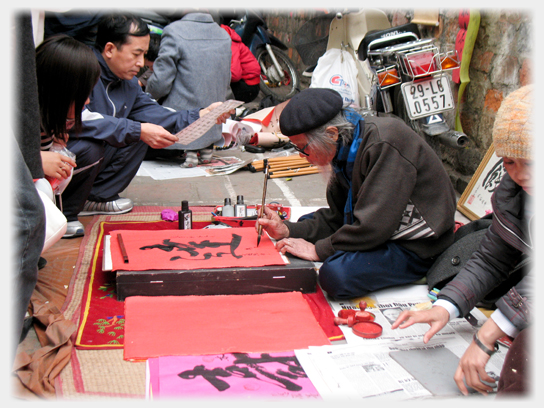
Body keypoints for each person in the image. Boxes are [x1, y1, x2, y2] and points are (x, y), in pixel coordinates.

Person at [392, 85, 533, 397]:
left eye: (532, 161)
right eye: (509, 162)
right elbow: (491, 259)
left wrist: (488, 335)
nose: (521, 175)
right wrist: (446, 305)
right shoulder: (515, 195)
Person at [256, 88, 456, 299]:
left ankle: (421, 273)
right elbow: (339, 217)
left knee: (336, 275)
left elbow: (372, 226)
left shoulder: (383, 143)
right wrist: (288, 229)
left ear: (331, 134)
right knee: (305, 226)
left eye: (303, 148)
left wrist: (318, 250)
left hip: (416, 246)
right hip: (380, 230)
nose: (303, 157)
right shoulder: (345, 148)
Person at [61, 13, 231, 237]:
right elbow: (80, 120)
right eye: (136, 54)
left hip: (94, 156)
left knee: (143, 130)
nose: (141, 64)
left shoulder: (128, 83)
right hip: (62, 152)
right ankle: (66, 212)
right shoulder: (81, 68)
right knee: (104, 142)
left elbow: (157, 114)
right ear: (110, 49)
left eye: (144, 54)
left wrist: (201, 114)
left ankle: (96, 198)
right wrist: (138, 130)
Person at [146, 12, 231, 167]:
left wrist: (147, 95)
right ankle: (204, 147)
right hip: (213, 127)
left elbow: (160, 84)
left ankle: (189, 149)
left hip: (183, 127)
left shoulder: (174, 31)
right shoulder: (223, 35)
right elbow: (226, 81)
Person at [37, 34, 101, 239]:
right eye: (83, 94)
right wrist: (35, 160)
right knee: (42, 190)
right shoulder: (23, 115)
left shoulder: (50, 118)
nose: (88, 101)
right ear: (61, 92)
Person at [221, 24, 261, 103]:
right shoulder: (230, 42)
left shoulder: (231, 45)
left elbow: (235, 75)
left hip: (249, 87)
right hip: (249, 83)